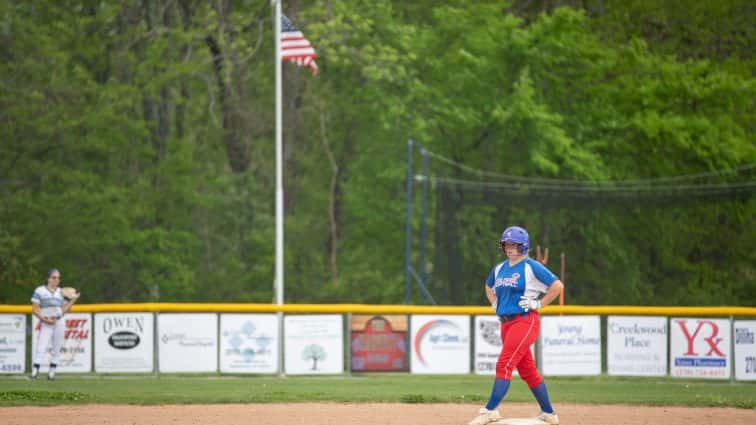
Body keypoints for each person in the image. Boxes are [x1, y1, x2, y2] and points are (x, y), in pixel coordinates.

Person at [468, 226, 564, 425]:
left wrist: (539, 303)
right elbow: (488, 286)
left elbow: (557, 286)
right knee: (528, 370)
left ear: (524, 246)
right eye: (506, 244)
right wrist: (494, 302)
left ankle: (491, 409)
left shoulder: (531, 266)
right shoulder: (499, 268)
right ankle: (548, 413)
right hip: (506, 324)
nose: (509, 248)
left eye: (514, 245)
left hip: (525, 321)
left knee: (504, 363)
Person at [30, 268, 79, 380]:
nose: (56, 279)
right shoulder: (40, 290)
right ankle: (34, 372)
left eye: (58, 277)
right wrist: (44, 319)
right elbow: (34, 309)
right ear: (48, 278)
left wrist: (73, 300)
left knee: (57, 348)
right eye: (54, 277)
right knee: (41, 347)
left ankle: (51, 373)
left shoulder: (61, 292)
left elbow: (63, 309)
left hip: (58, 321)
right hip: (46, 321)